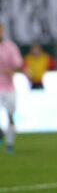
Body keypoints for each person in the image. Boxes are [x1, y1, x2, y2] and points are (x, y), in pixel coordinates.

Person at [0, 24, 23, 154]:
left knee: (10, 116)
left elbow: (18, 64)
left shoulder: (10, 47)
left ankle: (9, 144)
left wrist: (11, 70)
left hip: (8, 88)